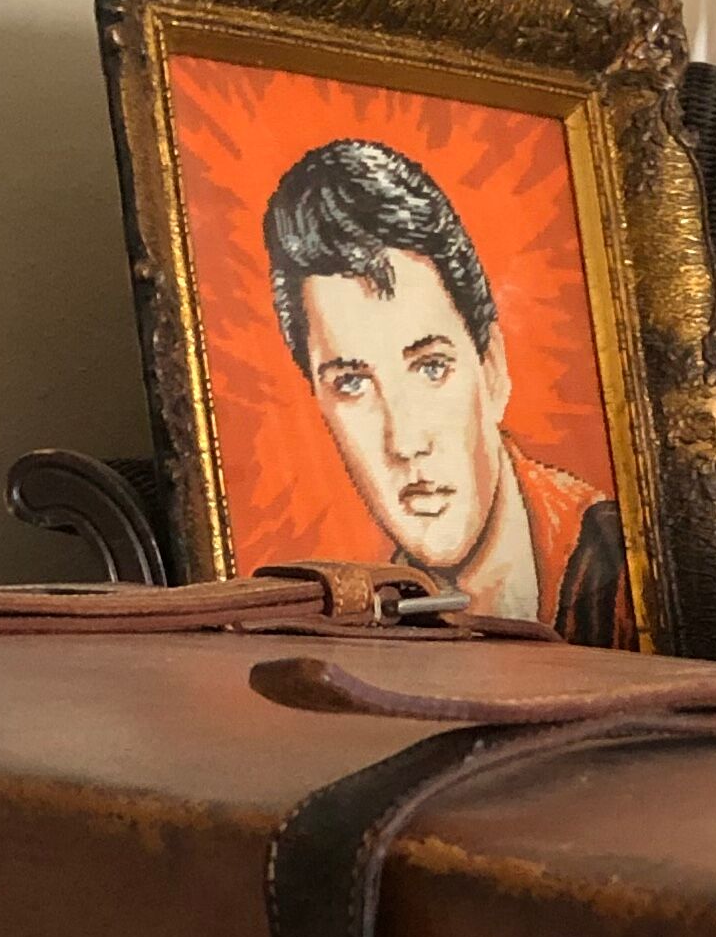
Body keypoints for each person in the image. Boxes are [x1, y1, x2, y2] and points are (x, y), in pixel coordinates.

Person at [259, 138, 633, 642]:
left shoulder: (620, 567)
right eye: (352, 384)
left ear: (493, 372)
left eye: (431, 367)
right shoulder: (370, 616)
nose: (405, 442)